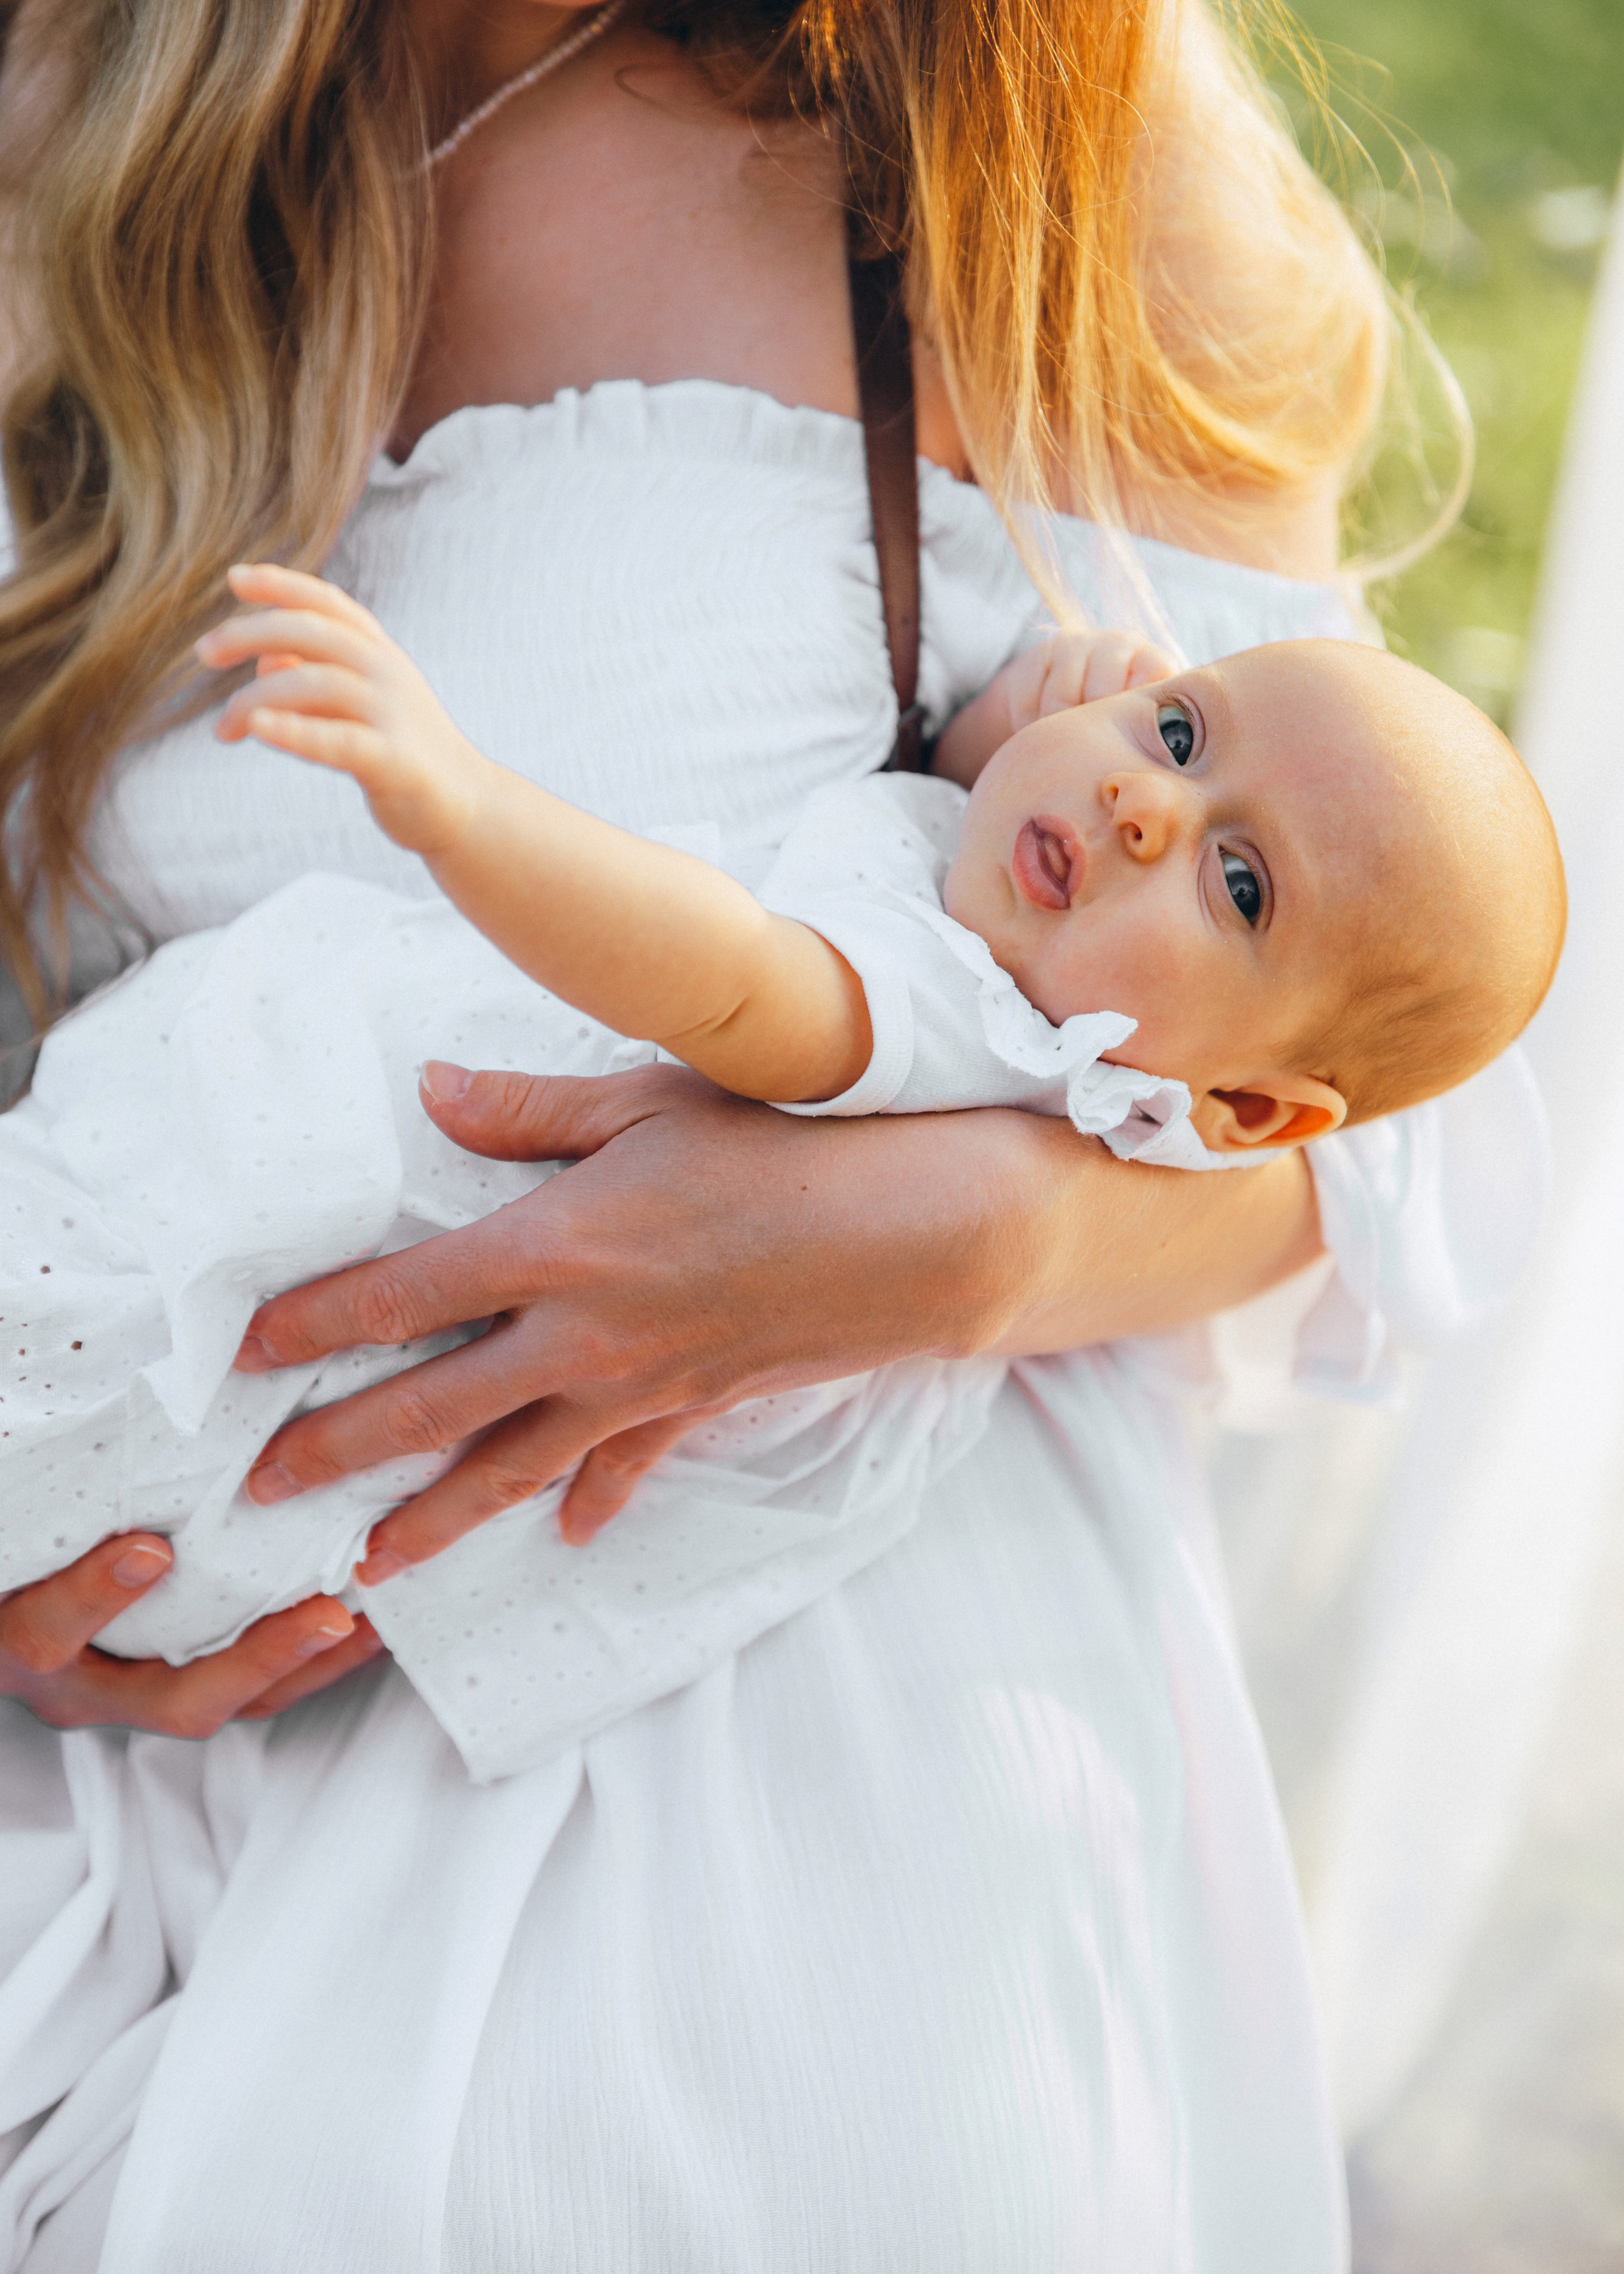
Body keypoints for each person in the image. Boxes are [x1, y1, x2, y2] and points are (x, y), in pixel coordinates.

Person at [0, 0, 1548, 2266]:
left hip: (763, 1826)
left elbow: (1391, 1094)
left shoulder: (1026, 118)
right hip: (157, 1724)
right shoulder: (80, 86)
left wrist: (963, 1235)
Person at [0, 580, 1563, 1787]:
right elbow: (973, 822)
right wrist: (996, 731)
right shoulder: (1060, 996)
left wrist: (458, 803)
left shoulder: (975, 1022)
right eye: (1176, 730)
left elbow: (737, 981)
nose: (1141, 801)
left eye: (1236, 883)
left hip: (304, 1277)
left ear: (1242, 1107)